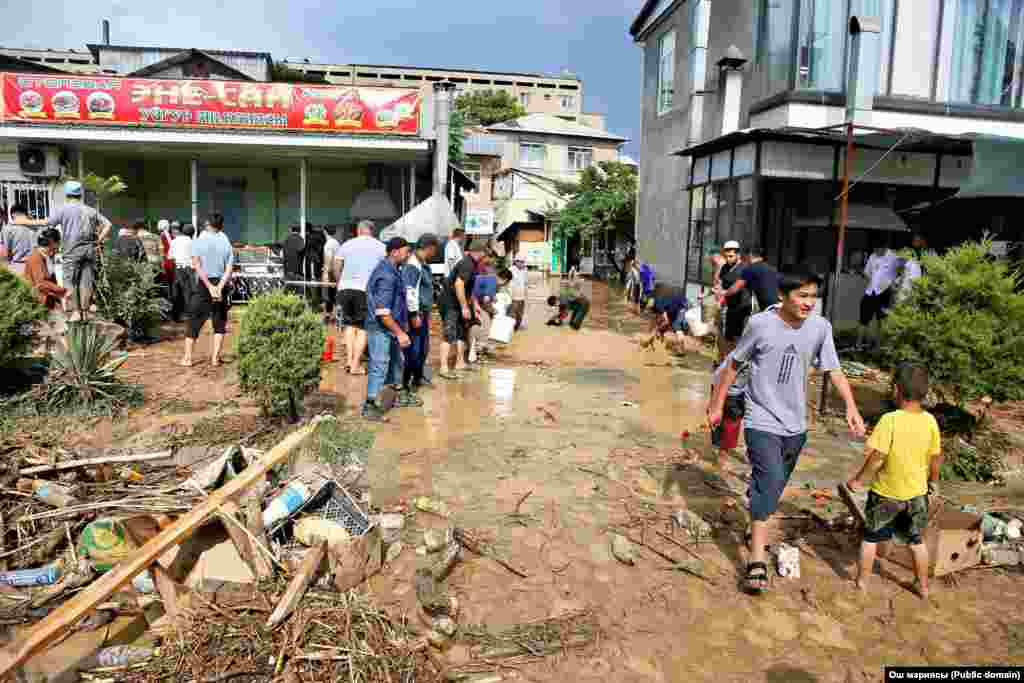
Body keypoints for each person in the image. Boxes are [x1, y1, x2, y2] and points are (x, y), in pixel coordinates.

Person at [708, 265, 865, 594]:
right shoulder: (761, 324)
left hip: (796, 425)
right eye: (802, 295)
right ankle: (755, 561)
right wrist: (718, 404)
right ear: (783, 295)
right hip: (761, 418)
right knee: (768, 480)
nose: (809, 303)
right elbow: (733, 364)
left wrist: (851, 406)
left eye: (814, 297)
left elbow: (832, 369)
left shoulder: (820, 327)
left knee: (773, 484)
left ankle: (757, 512)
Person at [846, 364, 941, 598]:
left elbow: (877, 458)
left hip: (886, 494)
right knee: (916, 541)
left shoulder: (890, 420)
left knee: (870, 538)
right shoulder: (930, 422)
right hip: (916, 495)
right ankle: (923, 586)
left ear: (896, 390)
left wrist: (858, 481)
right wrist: (934, 483)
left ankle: (862, 582)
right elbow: (935, 458)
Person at [44, 180, 112, 318]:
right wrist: (97, 240)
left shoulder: (63, 209)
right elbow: (108, 225)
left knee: (70, 281)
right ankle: (85, 313)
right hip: (89, 251)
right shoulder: (91, 210)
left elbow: (49, 223)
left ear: (67, 194)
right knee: (86, 281)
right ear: (80, 194)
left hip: (71, 251)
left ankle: (75, 312)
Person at [363, 237, 414, 421]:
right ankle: (369, 407)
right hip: (380, 327)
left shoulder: (393, 270)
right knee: (379, 365)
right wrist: (400, 333)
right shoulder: (386, 275)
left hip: (390, 327)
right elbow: (383, 312)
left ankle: (397, 395)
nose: (408, 255)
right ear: (394, 252)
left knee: (397, 362)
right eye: (405, 251)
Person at [181, 213, 234, 368]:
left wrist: (210, 286)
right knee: (219, 321)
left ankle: (188, 358)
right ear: (221, 226)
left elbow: (197, 265)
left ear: (208, 225)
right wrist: (219, 286)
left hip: (205, 285)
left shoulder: (199, 241)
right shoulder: (226, 242)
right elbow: (229, 268)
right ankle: (215, 358)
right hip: (221, 285)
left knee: (194, 320)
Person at [335, 220, 386, 376]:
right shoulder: (380, 246)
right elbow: (385, 269)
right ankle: (356, 365)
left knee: (349, 326)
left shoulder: (346, 244)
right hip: (364, 290)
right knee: (363, 328)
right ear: (372, 231)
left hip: (345, 289)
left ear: (358, 231)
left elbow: (336, 265)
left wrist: (339, 282)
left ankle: (350, 361)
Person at [439, 239, 485, 379]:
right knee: (449, 333)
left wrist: (474, 305)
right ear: (478, 252)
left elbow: (469, 288)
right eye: (484, 253)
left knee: (461, 332)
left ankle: (460, 363)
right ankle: (443, 368)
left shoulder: (472, 264)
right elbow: (459, 285)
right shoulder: (467, 264)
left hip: (459, 302)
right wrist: (464, 307)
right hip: (450, 303)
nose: (484, 257)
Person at [402, 233, 440, 396]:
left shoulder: (421, 263)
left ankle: (417, 377)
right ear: (429, 248)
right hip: (415, 314)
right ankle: (406, 382)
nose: (435, 253)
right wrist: (413, 314)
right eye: (434, 250)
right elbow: (409, 291)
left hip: (423, 313)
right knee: (414, 349)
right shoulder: (413, 265)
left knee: (423, 348)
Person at [857, 246, 901, 350]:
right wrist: (872, 279)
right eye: (874, 250)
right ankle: (858, 344)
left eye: (877, 250)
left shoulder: (893, 257)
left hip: (884, 293)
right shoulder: (873, 256)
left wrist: (892, 284)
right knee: (863, 319)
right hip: (870, 292)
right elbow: (867, 272)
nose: (876, 252)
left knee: (881, 321)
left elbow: (900, 273)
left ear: (884, 248)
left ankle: (879, 345)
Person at [711, 351, 749, 471]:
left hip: (739, 390)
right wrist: (714, 402)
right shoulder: (745, 355)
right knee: (731, 425)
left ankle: (750, 453)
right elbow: (720, 375)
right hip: (729, 392)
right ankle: (722, 457)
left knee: (734, 423)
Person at [716, 240, 751, 360]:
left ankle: (738, 364)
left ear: (738, 255)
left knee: (740, 338)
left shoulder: (744, 268)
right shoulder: (725, 267)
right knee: (728, 337)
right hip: (730, 307)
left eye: (731, 256)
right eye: (726, 256)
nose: (728, 259)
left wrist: (724, 293)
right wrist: (713, 292)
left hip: (743, 308)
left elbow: (737, 287)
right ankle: (727, 362)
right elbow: (720, 283)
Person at [723, 248, 779, 314]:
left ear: (750, 255)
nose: (744, 259)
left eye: (744, 256)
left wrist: (723, 293)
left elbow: (736, 288)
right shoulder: (772, 268)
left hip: (766, 308)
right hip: (777, 306)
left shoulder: (750, 268)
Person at [25, 228, 67, 310]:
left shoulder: (47, 256)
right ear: (52, 243)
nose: (59, 245)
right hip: (38, 304)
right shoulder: (36, 258)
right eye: (58, 242)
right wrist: (62, 291)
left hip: (48, 300)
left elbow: (50, 278)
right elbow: (41, 283)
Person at [0, 204, 38, 276]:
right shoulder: (37, 227)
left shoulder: (8, 229)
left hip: (18, 267)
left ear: (13, 215)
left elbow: (5, 253)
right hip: (36, 266)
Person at [170, 223, 195, 323]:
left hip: (177, 268)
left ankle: (175, 316)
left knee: (176, 292)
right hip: (187, 268)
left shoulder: (174, 241)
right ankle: (190, 316)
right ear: (192, 234)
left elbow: (170, 256)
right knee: (188, 291)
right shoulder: (192, 242)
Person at [322, 225, 341, 321]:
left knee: (327, 295)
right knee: (333, 295)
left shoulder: (329, 244)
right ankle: (333, 316)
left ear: (325, 232)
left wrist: (326, 271)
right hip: (336, 272)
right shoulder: (336, 243)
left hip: (330, 273)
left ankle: (328, 316)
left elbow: (329, 257)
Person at [283, 225, 306, 297]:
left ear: (291, 230)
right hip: (299, 271)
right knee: (299, 294)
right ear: (299, 230)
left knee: (288, 294)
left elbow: (284, 256)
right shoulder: (301, 240)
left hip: (288, 270)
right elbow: (302, 252)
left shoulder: (286, 240)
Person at [508, 258, 528, 329]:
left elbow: (525, 283)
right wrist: (509, 296)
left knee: (520, 313)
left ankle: (517, 325)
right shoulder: (511, 270)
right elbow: (508, 283)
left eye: (523, 262)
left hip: (522, 296)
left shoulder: (524, 271)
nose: (522, 264)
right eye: (520, 262)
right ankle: (510, 327)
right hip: (513, 296)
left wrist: (526, 293)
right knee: (512, 313)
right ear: (516, 262)